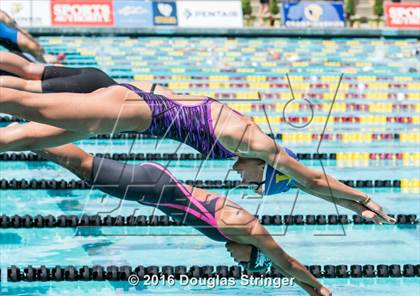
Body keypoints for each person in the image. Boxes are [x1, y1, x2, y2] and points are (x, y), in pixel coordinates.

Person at [0, 76, 395, 225]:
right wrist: (359, 200)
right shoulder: (252, 140)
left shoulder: (237, 143)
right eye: (257, 184)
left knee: (22, 136)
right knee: (21, 103)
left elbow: (180, 98)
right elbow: (308, 177)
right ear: (270, 169)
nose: (245, 182)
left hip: (130, 103)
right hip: (128, 110)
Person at [25, 139, 335, 296]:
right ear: (254, 253)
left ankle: (27, 136)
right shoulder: (246, 226)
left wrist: (306, 289)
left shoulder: (240, 227)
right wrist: (315, 286)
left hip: (156, 187)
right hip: (155, 187)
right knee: (84, 166)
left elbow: (281, 264)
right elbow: (286, 261)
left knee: (83, 168)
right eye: (246, 265)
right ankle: (24, 132)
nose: (236, 263)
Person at [0, 51, 170, 94]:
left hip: (96, 75)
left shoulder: (162, 91)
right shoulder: (167, 102)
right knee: (28, 85)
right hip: (93, 87)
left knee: (29, 69)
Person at [0, 10, 64, 63]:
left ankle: (56, 61)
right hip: (19, 40)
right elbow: (14, 26)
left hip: (13, 41)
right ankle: (57, 62)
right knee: (41, 57)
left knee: (39, 58)